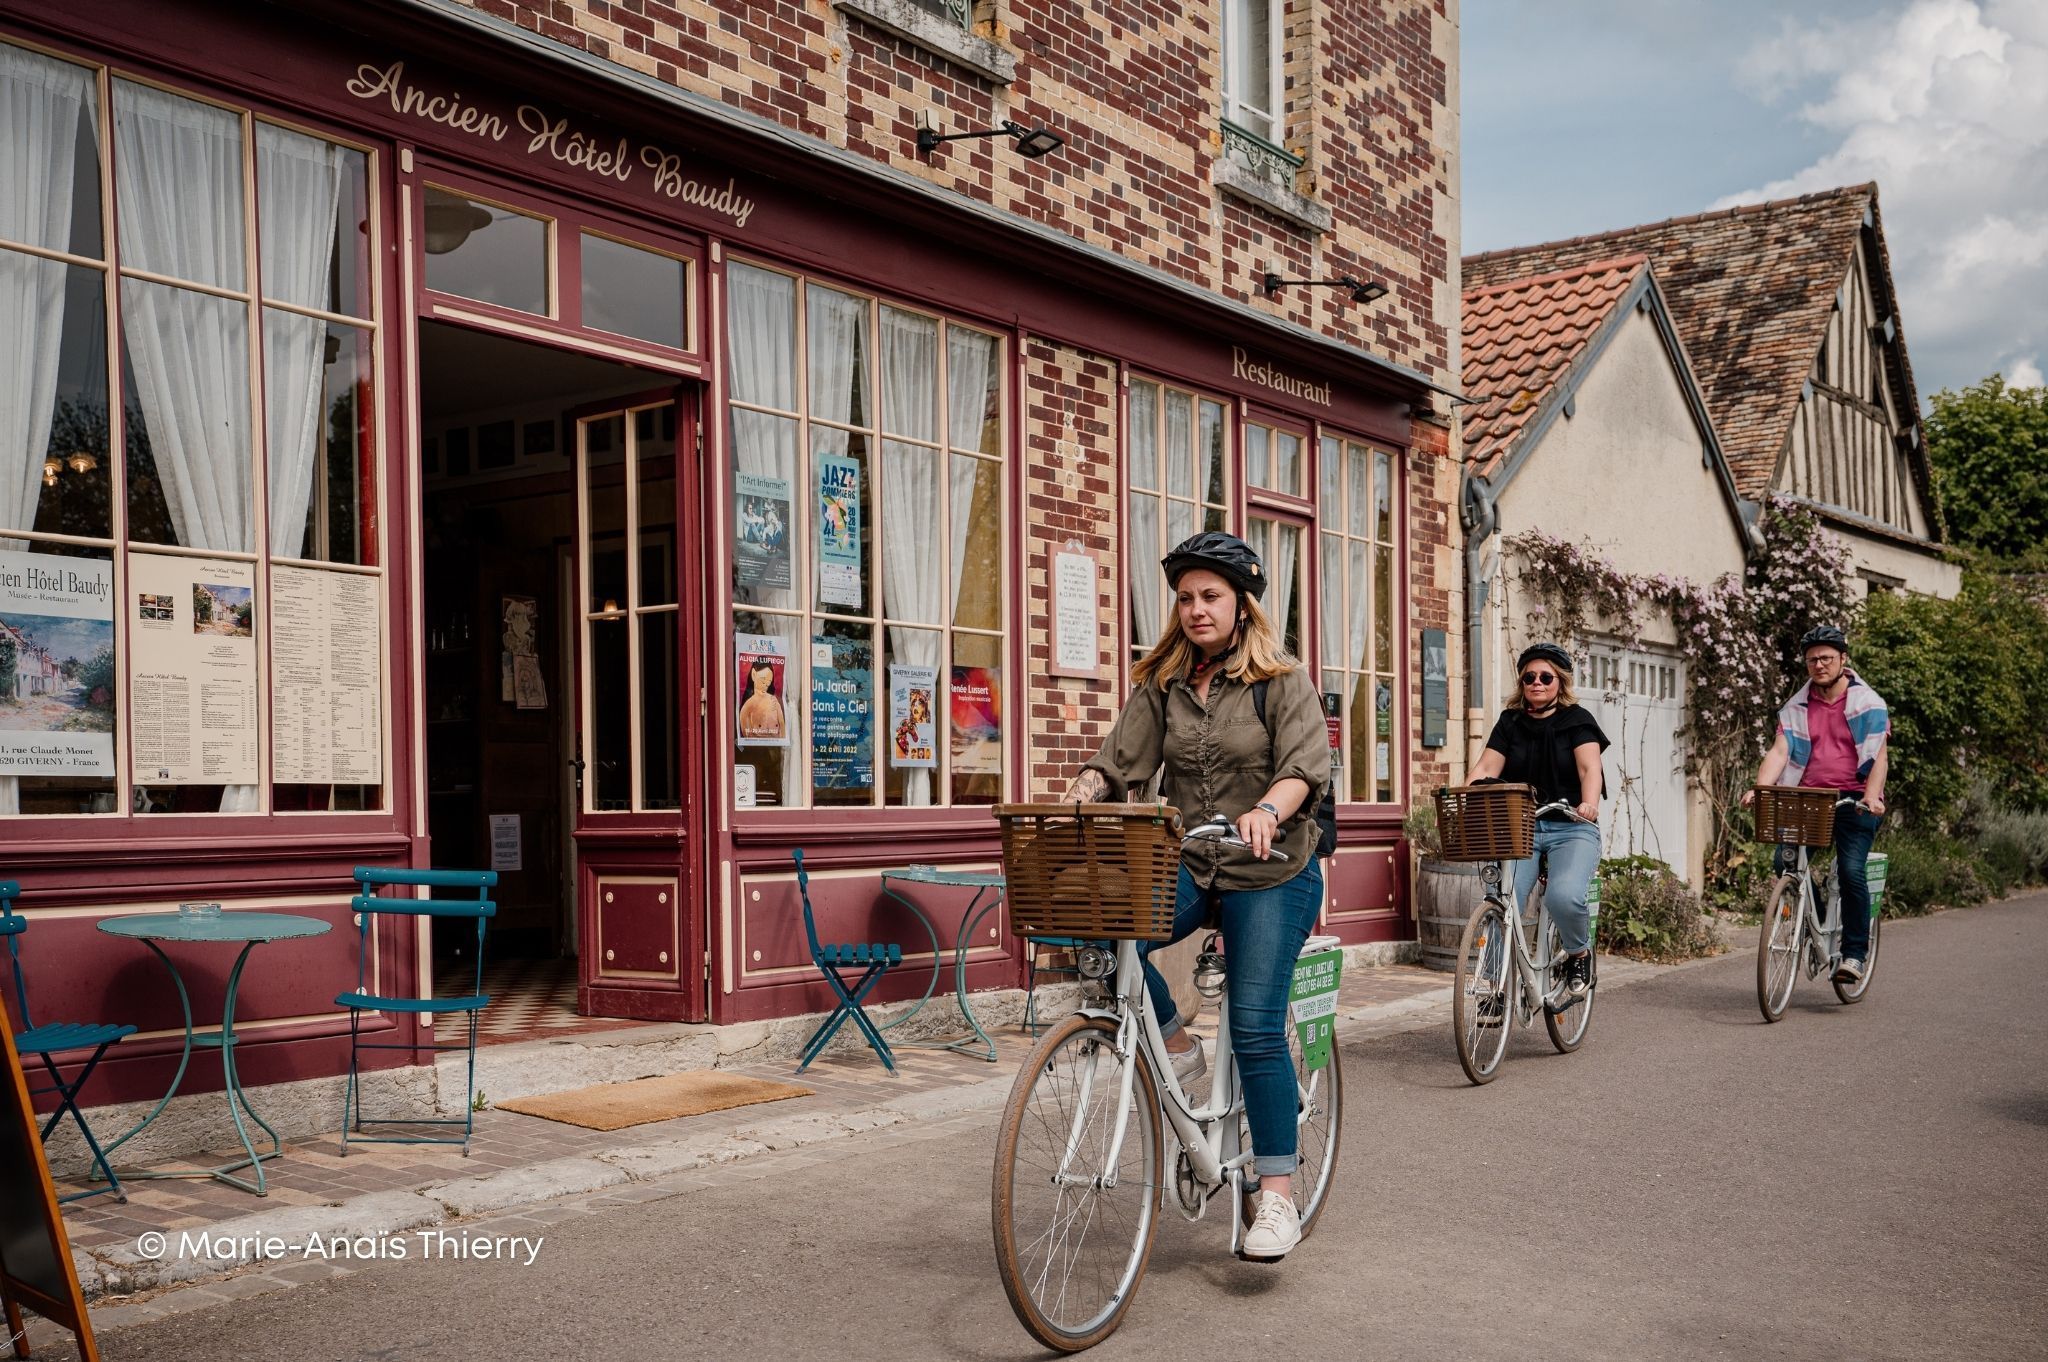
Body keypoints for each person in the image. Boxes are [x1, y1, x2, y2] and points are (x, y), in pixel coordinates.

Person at [1062, 531, 1329, 1262]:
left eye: (1210, 596)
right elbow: (1118, 762)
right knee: (1101, 929)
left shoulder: (1281, 680)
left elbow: (1305, 766)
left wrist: (1269, 811)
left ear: (1242, 605)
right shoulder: (1166, 683)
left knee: (1252, 1024)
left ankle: (1276, 1194)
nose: (1195, 609)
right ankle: (1178, 1051)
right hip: (1193, 857)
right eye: (1185, 597)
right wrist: (1076, 797)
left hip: (1272, 866)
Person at [1741, 624, 1888, 983]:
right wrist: (1762, 787)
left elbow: (1879, 756)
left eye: (1826, 658)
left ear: (1843, 659)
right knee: (1785, 862)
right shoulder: (1796, 707)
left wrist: (1871, 795)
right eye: (1811, 660)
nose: (1819, 665)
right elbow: (1779, 752)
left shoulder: (1869, 704)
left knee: (1852, 871)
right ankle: (1814, 924)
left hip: (1854, 800)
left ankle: (1854, 954)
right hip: (1807, 799)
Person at [1466, 642, 1608, 1000]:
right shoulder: (1510, 722)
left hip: (1572, 826)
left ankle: (1579, 954)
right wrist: (1464, 794)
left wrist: (1589, 804)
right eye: (1529, 676)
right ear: (1522, 682)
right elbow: (1485, 769)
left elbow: (1590, 767)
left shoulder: (1577, 720)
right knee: (1502, 899)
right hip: (1520, 829)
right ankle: (1497, 990)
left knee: (1562, 896)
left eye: (1546, 677)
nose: (1537, 683)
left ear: (1559, 682)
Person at [738, 659, 784, 739]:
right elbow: (746, 739)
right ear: (753, 674)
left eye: (768, 683)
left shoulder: (774, 701)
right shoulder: (748, 706)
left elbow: (782, 728)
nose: (765, 686)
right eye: (763, 681)